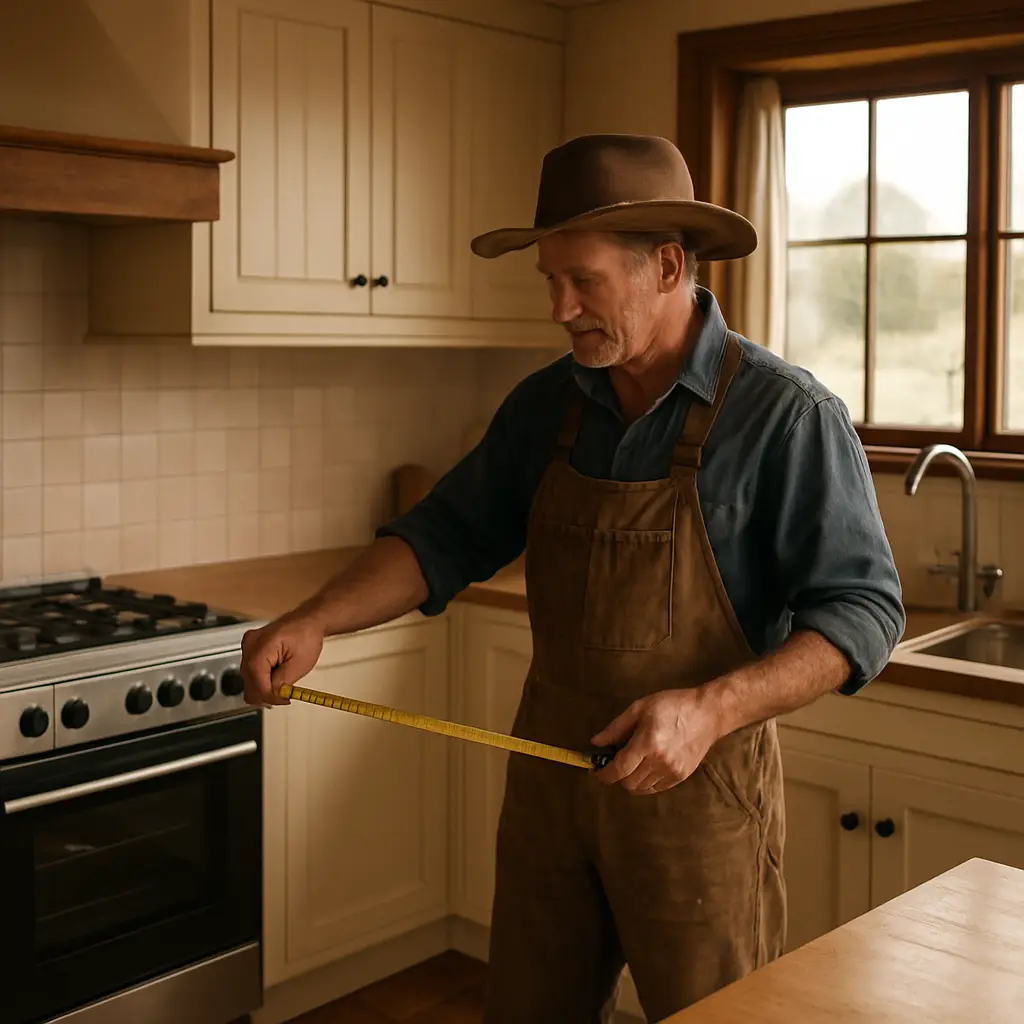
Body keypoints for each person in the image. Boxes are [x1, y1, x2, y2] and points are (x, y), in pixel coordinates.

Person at [239, 134, 905, 1023]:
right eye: (548, 280)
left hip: (697, 801)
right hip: (549, 785)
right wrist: (318, 618)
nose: (559, 307)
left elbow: (865, 610)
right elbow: (444, 536)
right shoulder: (545, 404)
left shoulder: (785, 417)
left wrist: (708, 711)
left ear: (667, 266)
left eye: (582, 280)